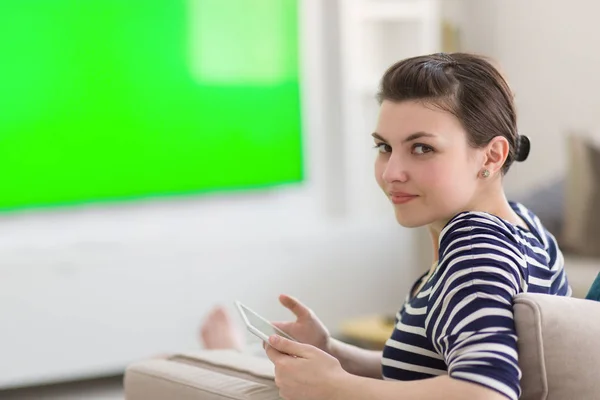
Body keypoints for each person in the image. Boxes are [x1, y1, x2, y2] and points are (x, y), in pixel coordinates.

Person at [200, 52, 570, 400]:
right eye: (384, 147)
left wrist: (337, 387)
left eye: (422, 148)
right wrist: (332, 352)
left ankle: (228, 355)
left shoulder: (474, 246)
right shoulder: (528, 228)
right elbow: (427, 370)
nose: (392, 173)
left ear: (492, 155)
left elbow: (486, 391)